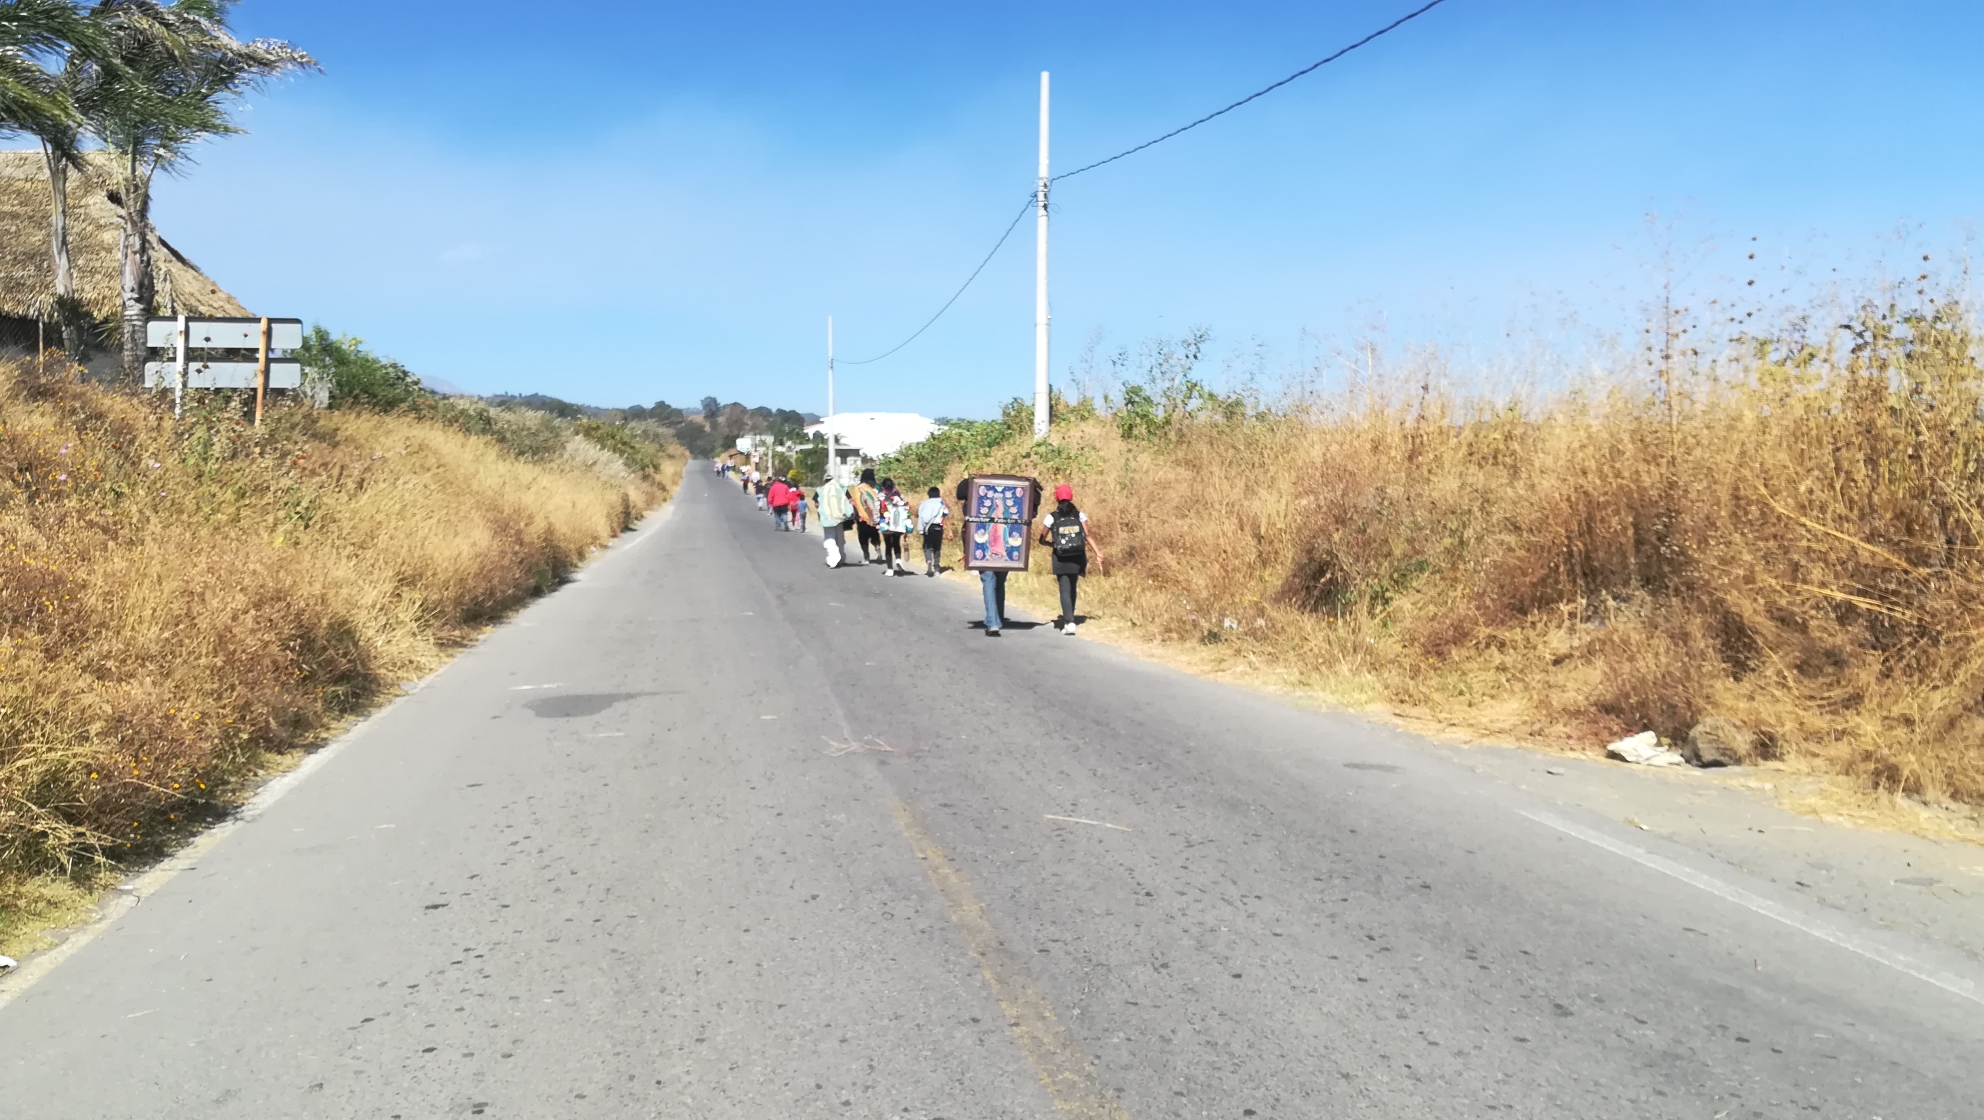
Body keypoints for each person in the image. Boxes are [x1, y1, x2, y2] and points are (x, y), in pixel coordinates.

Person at [958, 475, 1042, 637]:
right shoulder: (1008, 510)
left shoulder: (973, 503)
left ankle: (993, 621)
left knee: (989, 581)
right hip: (1004, 548)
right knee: (999, 580)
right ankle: (997, 617)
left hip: (986, 547)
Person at [1039, 483, 1103, 636]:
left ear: (1057, 498)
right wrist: (1098, 553)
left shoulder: (1051, 517)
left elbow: (1041, 538)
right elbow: (1087, 536)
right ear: (1071, 496)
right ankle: (1071, 618)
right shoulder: (1080, 515)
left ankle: (1069, 621)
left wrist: (1050, 544)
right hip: (1078, 556)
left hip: (1060, 556)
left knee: (1064, 587)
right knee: (1073, 586)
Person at [877, 477, 913, 575]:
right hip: (898, 524)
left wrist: (877, 523)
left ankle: (889, 569)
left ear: (883, 486)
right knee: (896, 543)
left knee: (888, 545)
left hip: (886, 524)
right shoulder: (899, 495)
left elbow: (877, 510)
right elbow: (906, 509)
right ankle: (898, 559)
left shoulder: (881, 496)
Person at [817, 473, 855, 566]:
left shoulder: (821, 490)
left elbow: (816, 504)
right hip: (840, 518)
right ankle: (842, 558)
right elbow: (850, 501)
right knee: (840, 539)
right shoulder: (842, 489)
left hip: (828, 518)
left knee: (830, 538)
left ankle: (833, 558)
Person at [849, 468, 882, 564]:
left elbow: (855, 502)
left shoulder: (859, 488)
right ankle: (877, 547)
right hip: (875, 516)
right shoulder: (877, 487)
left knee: (863, 537)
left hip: (862, 517)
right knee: (874, 534)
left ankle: (866, 558)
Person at [916, 486, 948, 577]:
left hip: (928, 528)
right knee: (937, 548)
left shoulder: (924, 503)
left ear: (929, 494)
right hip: (938, 527)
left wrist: (921, 529)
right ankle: (937, 568)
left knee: (927, 546)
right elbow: (946, 515)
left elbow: (920, 517)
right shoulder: (942, 503)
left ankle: (929, 560)